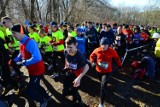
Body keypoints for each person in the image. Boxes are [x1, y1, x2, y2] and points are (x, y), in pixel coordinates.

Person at [10, 24, 50, 107]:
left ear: (21, 32)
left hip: (38, 70)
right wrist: (15, 60)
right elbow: (21, 54)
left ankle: (43, 101)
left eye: (14, 33)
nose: (12, 35)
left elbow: (37, 58)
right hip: (31, 70)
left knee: (29, 91)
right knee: (36, 85)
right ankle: (47, 97)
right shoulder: (21, 42)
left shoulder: (30, 42)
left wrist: (24, 63)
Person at [90, 37, 122, 107]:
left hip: (107, 72)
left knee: (103, 86)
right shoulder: (97, 50)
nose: (103, 46)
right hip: (98, 70)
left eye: (105, 44)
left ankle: (101, 103)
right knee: (101, 82)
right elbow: (91, 56)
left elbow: (117, 58)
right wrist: (92, 62)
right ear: (100, 44)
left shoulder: (112, 51)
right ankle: (103, 86)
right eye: (102, 44)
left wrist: (120, 65)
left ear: (108, 45)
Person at [62, 37, 89, 106]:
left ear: (76, 45)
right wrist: (66, 65)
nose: (69, 49)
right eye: (67, 47)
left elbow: (87, 67)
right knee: (65, 90)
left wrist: (79, 78)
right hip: (69, 72)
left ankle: (80, 102)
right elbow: (66, 57)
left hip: (77, 75)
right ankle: (73, 96)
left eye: (70, 47)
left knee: (74, 91)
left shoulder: (80, 56)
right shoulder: (65, 51)